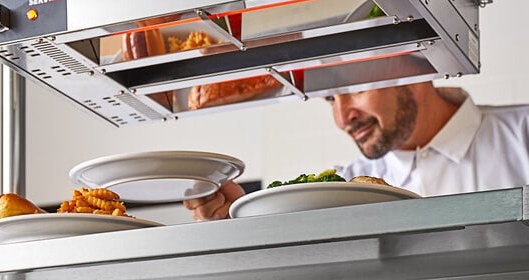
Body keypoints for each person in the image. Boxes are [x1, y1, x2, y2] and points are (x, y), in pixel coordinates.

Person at [183, 81, 529, 221]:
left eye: (355, 88)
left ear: (418, 67)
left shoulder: (523, 135)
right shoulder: (341, 187)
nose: (342, 117)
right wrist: (240, 223)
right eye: (331, 99)